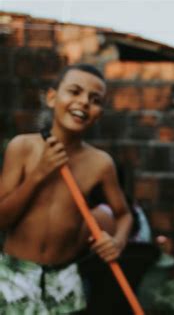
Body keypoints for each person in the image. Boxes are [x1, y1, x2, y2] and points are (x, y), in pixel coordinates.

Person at [0, 64, 133, 314]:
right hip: (14, 275)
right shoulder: (22, 147)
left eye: (95, 100)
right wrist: (39, 173)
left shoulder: (101, 164)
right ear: (52, 97)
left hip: (64, 279)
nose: (83, 102)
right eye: (74, 91)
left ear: (99, 113)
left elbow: (124, 214)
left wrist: (117, 241)